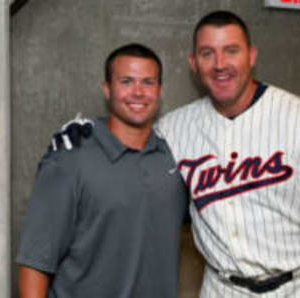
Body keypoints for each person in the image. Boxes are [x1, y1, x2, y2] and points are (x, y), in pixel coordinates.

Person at [52, 11, 300, 298]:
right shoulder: (173, 129)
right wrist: (90, 133)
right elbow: (131, 144)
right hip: (222, 287)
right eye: (208, 53)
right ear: (194, 63)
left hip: (297, 286)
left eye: (231, 50)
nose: (220, 64)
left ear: (251, 56)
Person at [17, 43, 188, 298]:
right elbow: (35, 264)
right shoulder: (69, 159)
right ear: (107, 89)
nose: (138, 92)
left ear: (160, 90)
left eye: (148, 82)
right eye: (126, 81)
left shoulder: (173, 156)